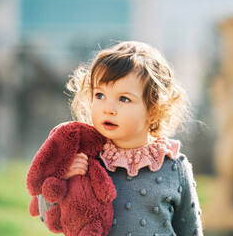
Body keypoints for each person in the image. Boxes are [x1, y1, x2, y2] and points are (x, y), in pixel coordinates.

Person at [63, 41, 203, 235]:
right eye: (100, 95)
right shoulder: (86, 161)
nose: (108, 108)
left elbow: (191, 231)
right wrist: (64, 180)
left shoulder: (174, 167)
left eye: (124, 99)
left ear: (154, 109)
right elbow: (51, 218)